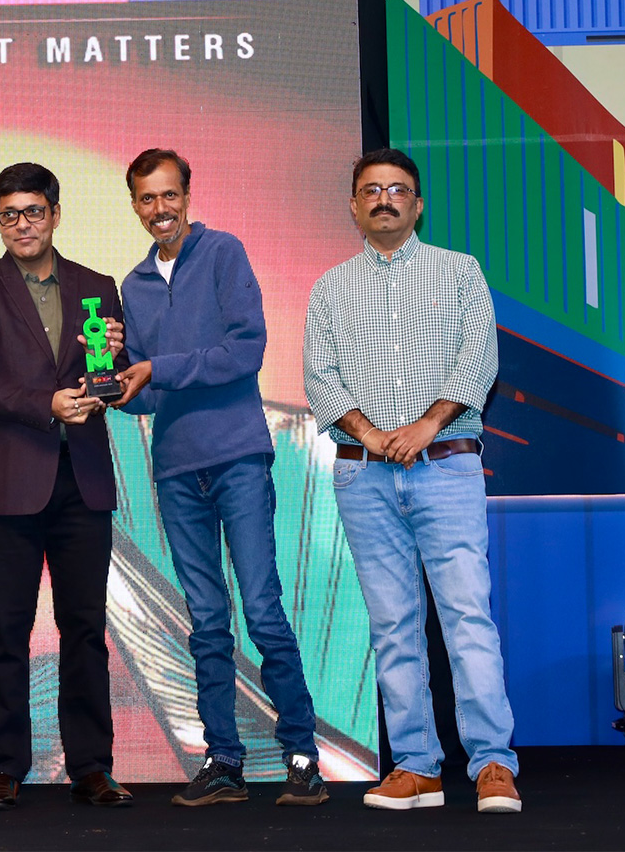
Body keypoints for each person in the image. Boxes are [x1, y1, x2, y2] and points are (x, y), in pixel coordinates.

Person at [302, 147, 521, 814]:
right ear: (354, 206)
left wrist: (426, 425)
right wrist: (371, 436)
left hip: (447, 466)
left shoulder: (459, 272)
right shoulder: (330, 288)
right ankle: (417, 767)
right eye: (371, 190)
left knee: (467, 618)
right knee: (393, 627)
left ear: (418, 204)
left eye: (398, 189)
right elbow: (319, 376)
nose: (384, 199)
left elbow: (479, 357)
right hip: (363, 476)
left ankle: (492, 763)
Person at [112, 148, 326, 808]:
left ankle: (302, 758)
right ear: (135, 206)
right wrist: (118, 384)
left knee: (262, 610)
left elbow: (245, 350)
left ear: (187, 194)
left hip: (238, 459)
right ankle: (224, 761)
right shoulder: (133, 286)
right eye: (147, 198)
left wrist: (159, 368)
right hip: (176, 469)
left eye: (169, 194)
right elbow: (151, 395)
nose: (160, 209)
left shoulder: (224, 252)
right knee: (206, 621)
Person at [0, 162, 132, 810]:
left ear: (54, 214)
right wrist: (44, 404)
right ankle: (4, 767)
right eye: (9, 214)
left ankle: (92, 767)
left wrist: (113, 365)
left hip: (82, 479)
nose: (22, 224)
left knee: (84, 628)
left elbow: (108, 384)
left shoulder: (97, 287)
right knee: (6, 629)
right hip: (8, 482)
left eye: (33, 211)